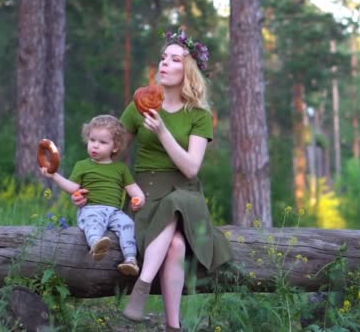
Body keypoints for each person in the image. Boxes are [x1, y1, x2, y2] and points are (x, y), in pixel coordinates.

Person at [73, 29, 233, 332]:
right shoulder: (139, 106)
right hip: (146, 194)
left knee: (177, 202)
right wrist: (89, 190)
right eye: (163, 58)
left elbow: (191, 168)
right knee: (174, 244)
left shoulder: (199, 114)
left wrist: (162, 132)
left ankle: (142, 286)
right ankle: (174, 326)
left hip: (184, 193)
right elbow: (112, 155)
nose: (164, 63)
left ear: (188, 71)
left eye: (174, 59)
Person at [42, 114, 145, 277]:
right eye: (92, 140)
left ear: (115, 147)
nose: (95, 146)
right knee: (93, 223)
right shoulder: (82, 166)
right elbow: (72, 187)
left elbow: (134, 189)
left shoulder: (120, 169)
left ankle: (130, 259)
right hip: (91, 209)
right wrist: (54, 176)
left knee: (128, 225)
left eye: (102, 142)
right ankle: (97, 244)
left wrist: (139, 199)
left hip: (114, 212)